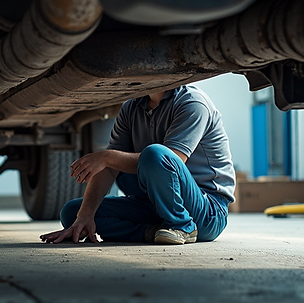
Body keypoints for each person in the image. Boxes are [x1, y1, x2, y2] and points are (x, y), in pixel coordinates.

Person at [40, 85, 235, 245]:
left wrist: (107, 157)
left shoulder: (192, 103)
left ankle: (183, 226)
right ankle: (152, 232)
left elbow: (170, 161)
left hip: (207, 210)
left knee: (155, 154)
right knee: (73, 214)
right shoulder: (130, 107)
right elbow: (108, 169)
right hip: (153, 204)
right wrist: (85, 214)